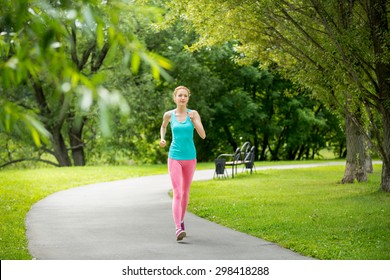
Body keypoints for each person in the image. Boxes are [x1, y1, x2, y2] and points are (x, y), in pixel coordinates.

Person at [159, 86, 206, 241]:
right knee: (177, 192)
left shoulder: (193, 114)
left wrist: (194, 121)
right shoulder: (169, 115)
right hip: (175, 157)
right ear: (175, 98)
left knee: (185, 193)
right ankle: (178, 228)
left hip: (190, 158)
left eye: (185, 95)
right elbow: (163, 126)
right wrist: (162, 138)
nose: (183, 98)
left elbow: (203, 135)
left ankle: (181, 219)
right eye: (180, 95)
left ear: (188, 98)